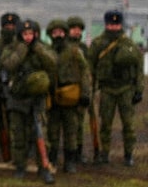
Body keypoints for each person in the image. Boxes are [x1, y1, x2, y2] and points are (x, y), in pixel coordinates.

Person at [0, 19, 56, 184]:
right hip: (17, 97)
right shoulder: (11, 48)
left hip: (37, 98)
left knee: (39, 134)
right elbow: (7, 65)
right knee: (18, 134)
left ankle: (44, 168)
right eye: (25, 34)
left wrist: (38, 49)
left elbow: (53, 64)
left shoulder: (43, 48)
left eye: (31, 33)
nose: (28, 37)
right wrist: (21, 50)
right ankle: (20, 166)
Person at [87, 9, 144, 166]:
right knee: (105, 123)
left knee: (129, 125)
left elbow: (139, 67)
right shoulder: (98, 43)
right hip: (107, 89)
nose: (114, 27)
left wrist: (139, 90)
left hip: (126, 89)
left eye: (116, 24)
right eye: (111, 24)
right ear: (106, 24)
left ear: (121, 25)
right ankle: (104, 153)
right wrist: (89, 90)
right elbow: (90, 68)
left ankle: (128, 154)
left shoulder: (128, 43)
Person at [45, 19, 91, 173]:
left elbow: (85, 72)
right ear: (51, 34)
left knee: (71, 131)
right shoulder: (46, 51)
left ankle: (70, 161)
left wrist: (85, 94)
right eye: (55, 32)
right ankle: (52, 160)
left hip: (71, 96)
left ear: (65, 33)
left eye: (61, 32)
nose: (58, 35)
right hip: (52, 97)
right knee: (52, 132)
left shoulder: (74, 52)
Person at [0, 12, 20, 161]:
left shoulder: (22, 45)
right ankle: (5, 153)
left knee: (20, 124)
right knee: (2, 123)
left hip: (19, 90)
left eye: (13, 25)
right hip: (0, 89)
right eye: (7, 26)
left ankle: (22, 152)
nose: (10, 28)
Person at [66, 15, 90, 163]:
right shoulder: (63, 47)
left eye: (79, 29)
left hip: (81, 90)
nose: (76, 32)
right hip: (66, 90)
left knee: (79, 124)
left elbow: (88, 71)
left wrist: (87, 92)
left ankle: (78, 153)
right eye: (73, 29)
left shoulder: (84, 49)